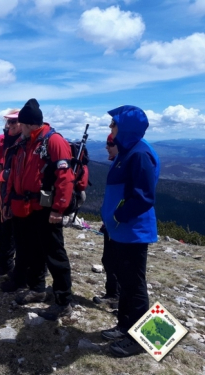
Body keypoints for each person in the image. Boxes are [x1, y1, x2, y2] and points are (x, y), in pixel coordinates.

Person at [3, 99, 74, 320]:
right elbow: (15, 176)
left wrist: (58, 209)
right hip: (25, 208)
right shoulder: (26, 143)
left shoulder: (53, 141)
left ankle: (63, 301)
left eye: (20, 124)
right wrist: (7, 203)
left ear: (29, 124)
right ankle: (37, 289)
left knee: (54, 253)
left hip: (45, 210)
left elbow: (65, 178)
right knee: (31, 250)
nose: (16, 128)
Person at [100, 105, 160, 358]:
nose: (110, 129)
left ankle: (145, 339)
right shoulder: (128, 151)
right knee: (125, 280)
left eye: (114, 125)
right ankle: (126, 326)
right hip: (121, 231)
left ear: (125, 127)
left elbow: (144, 197)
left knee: (134, 284)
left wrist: (117, 215)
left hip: (133, 231)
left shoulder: (140, 154)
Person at [0, 110, 21, 276]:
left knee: (14, 234)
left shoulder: (20, 143)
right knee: (7, 232)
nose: (10, 125)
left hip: (17, 197)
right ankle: (7, 264)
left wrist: (1, 173)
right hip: (7, 197)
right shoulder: (11, 142)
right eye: (8, 122)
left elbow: (16, 172)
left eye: (14, 121)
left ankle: (13, 267)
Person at [93, 134, 120, 308]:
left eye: (110, 143)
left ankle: (119, 298)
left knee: (115, 261)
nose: (106, 147)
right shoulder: (117, 164)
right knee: (108, 259)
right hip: (112, 223)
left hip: (119, 224)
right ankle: (113, 295)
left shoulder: (123, 165)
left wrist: (116, 218)